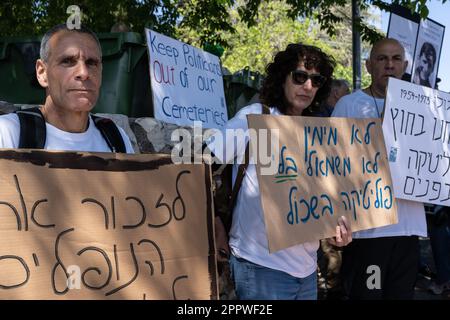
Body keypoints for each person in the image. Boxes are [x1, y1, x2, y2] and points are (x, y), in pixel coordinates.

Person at [208, 43, 352, 300]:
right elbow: (202, 163)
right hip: (260, 267)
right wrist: (215, 220)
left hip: (307, 270)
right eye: (299, 77)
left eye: (316, 80)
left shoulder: (319, 133)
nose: (307, 86)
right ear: (282, 78)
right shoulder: (256, 117)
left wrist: (337, 231)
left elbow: (324, 194)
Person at [332, 38, 427, 299]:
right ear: (368, 65)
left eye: (396, 59)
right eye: (382, 59)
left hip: (409, 231)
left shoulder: (425, 108)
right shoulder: (348, 105)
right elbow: (330, 165)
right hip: (368, 234)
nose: (389, 65)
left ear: (404, 66)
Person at [0, 24, 134, 153]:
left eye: (92, 63)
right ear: (42, 73)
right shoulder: (9, 133)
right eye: (68, 61)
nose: (84, 73)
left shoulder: (117, 139)